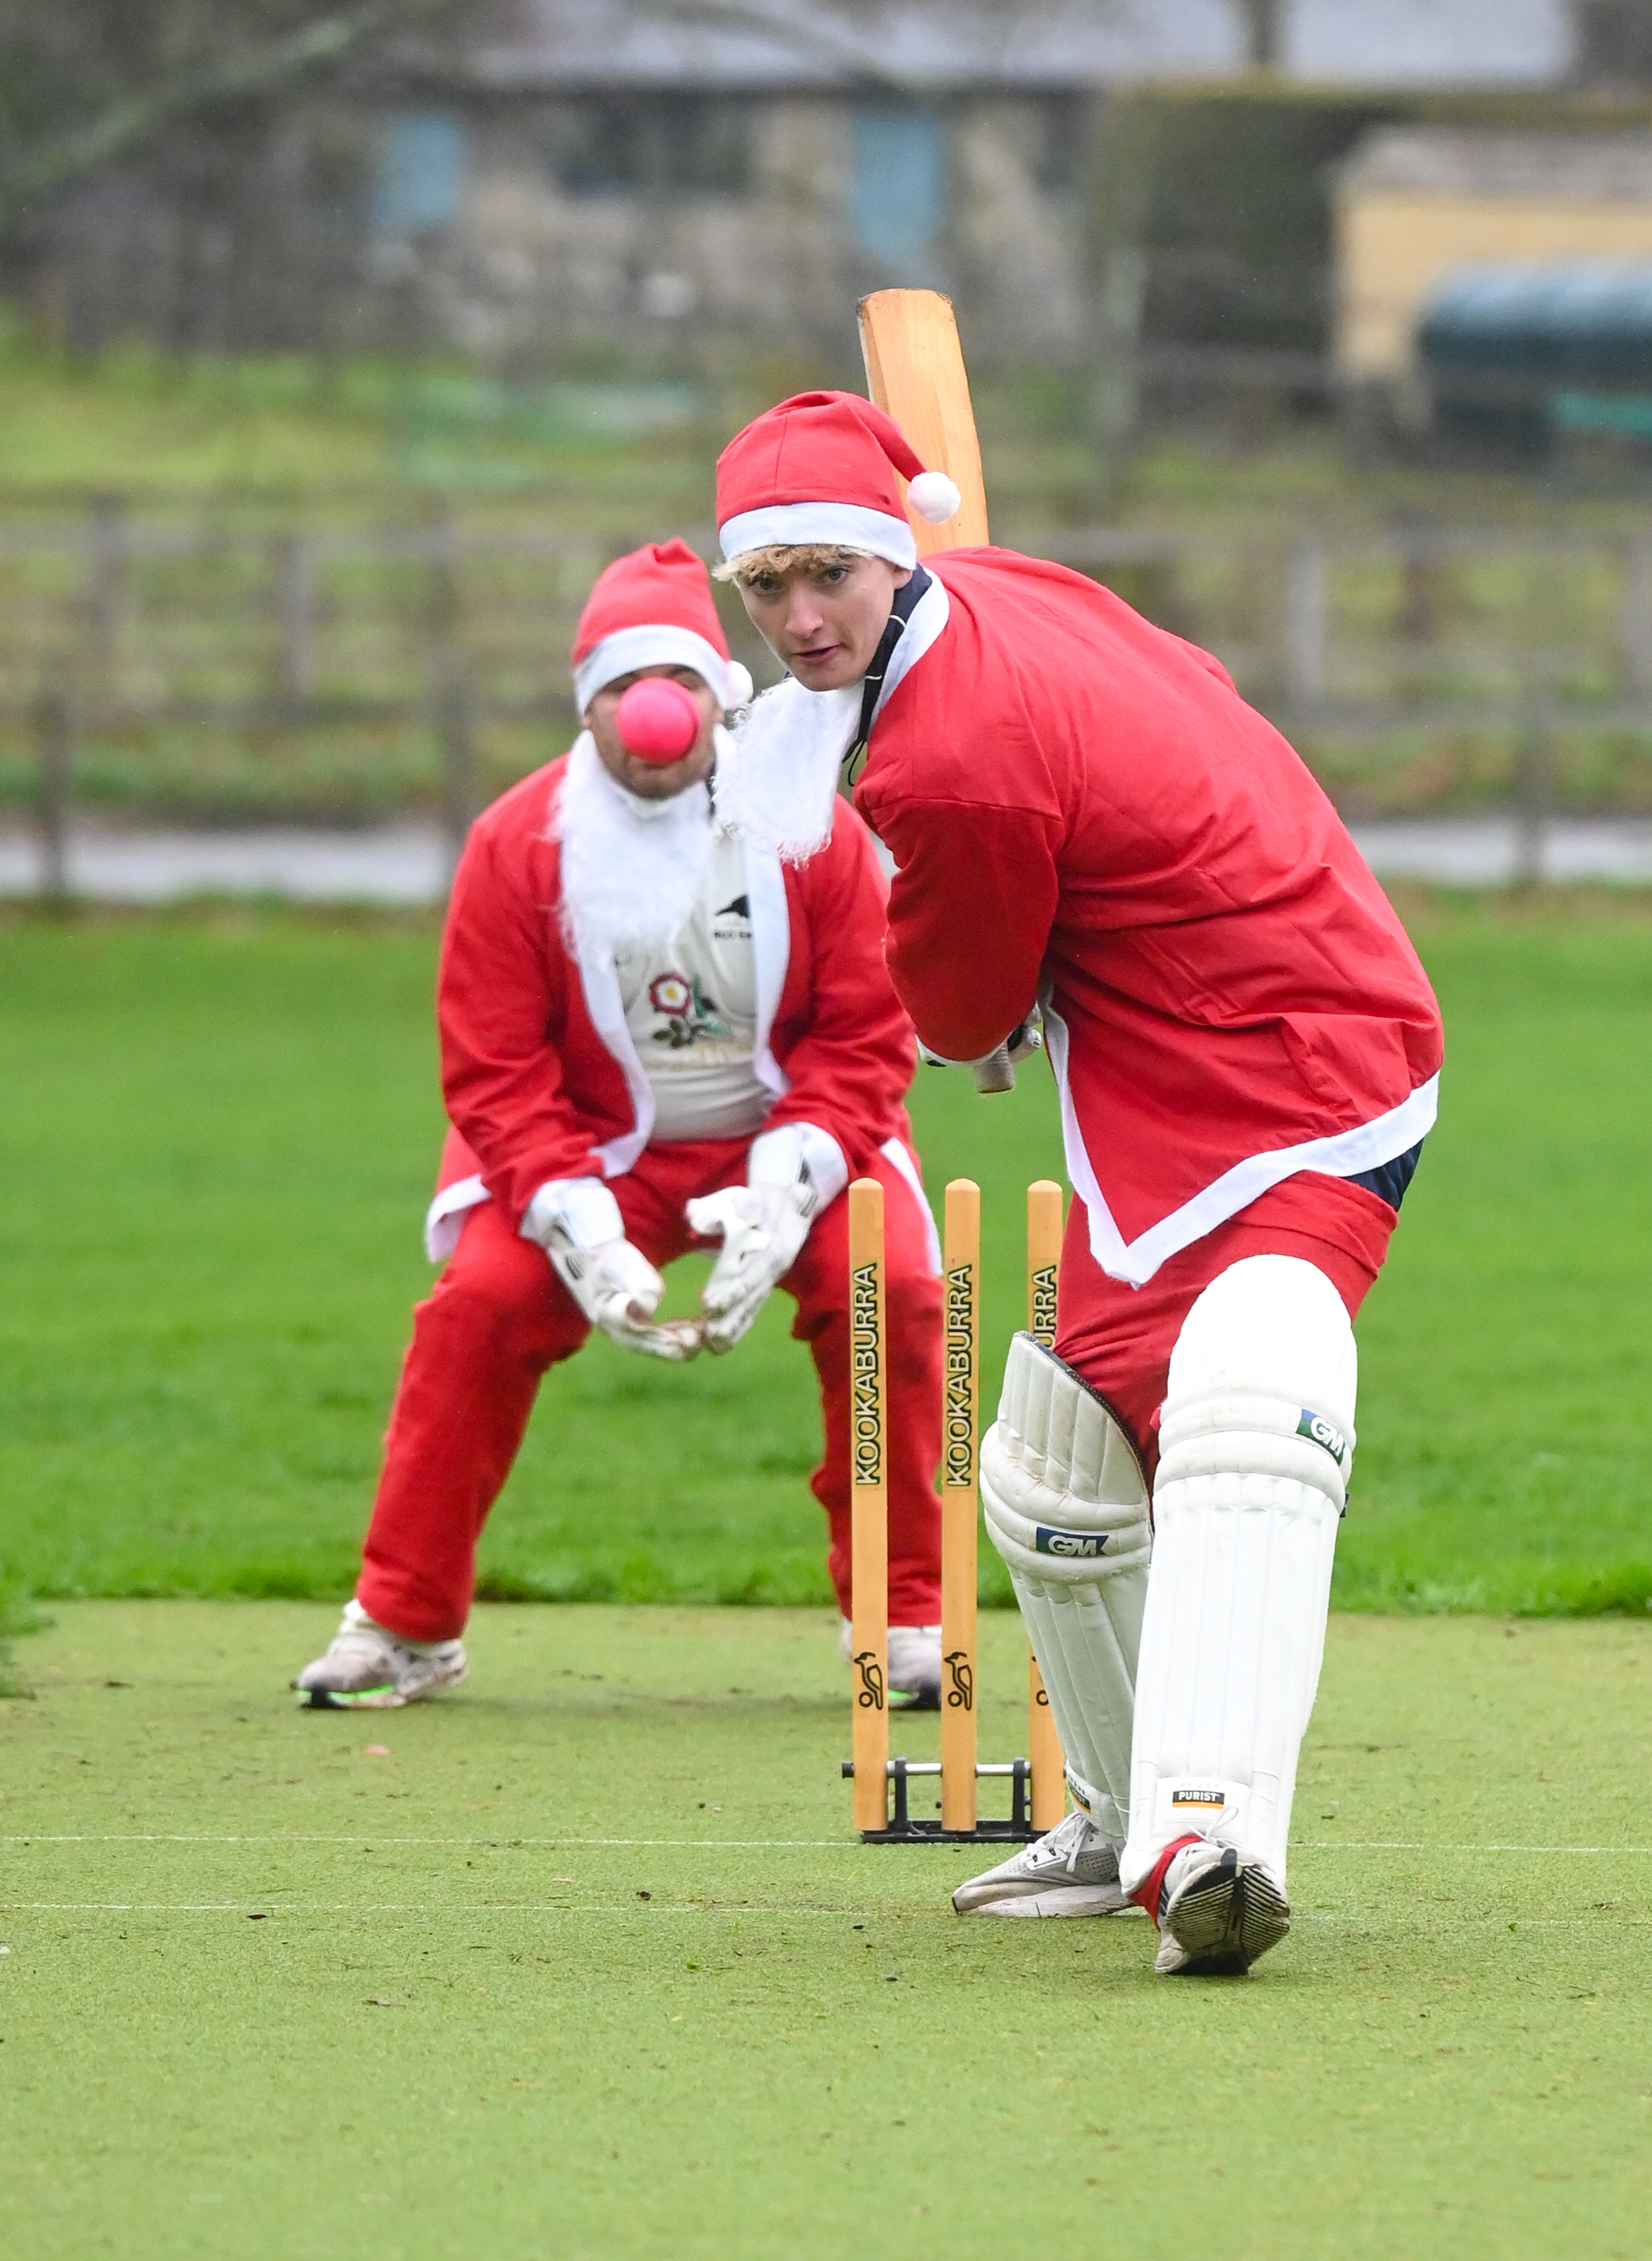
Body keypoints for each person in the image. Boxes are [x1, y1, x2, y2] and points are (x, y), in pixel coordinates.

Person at [710, 394, 1443, 1976]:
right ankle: (1117, 1818)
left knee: (1251, 1379)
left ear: (892, 557)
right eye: (764, 588)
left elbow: (963, 1011)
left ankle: (1211, 1839)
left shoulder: (947, 758)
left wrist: (995, 990)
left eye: (828, 574)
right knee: (1057, 1454)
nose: (796, 618)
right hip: (1181, 1038)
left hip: (1297, 1054)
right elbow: (1193, 685)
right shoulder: (1005, 588)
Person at [293, 539, 945, 1709]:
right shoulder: (516, 842)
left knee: (886, 1288)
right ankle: (402, 1620)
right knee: (480, 1306)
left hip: (796, 1138)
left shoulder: (809, 827)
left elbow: (864, 1033)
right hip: (586, 1154)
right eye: (622, 694)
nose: (654, 718)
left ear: (718, 694)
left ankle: (903, 1616)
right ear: (588, 708)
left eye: (683, 686)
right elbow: (493, 1068)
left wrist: (788, 1184)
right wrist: (582, 1230)